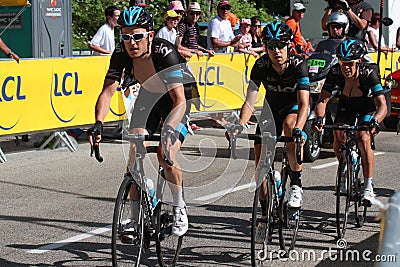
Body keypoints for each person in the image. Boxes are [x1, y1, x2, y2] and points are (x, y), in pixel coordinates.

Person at [89, 6, 196, 237]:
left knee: (165, 153)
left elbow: (179, 101)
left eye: (137, 36)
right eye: (126, 36)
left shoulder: (164, 52)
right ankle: (134, 217)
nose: (132, 43)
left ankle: (179, 206)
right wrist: (98, 122)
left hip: (176, 99)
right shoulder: (121, 53)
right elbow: (107, 92)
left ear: (149, 34)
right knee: (134, 151)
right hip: (149, 96)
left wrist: (168, 131)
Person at [231, 21, 310, 210]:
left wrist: (299, 128)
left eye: (280, 45)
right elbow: (250, 101)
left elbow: (304, 104)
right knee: (260, 166)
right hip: (271, 108)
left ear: (289, 45)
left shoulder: (298, 65)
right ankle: (265, 213)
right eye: (271, 46)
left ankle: (296, 185)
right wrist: (240, 124)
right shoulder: (260, 65)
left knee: (290, 129)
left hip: (294, 107)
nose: (276, 51)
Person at [313, 39, 387, 204]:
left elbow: (382, 106)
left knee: (363, 138)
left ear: (359, 62)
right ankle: (345, 168)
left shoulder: (369, 73)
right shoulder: (335, 72)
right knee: (338, 134)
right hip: (346, 105)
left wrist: (375, 121)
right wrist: (319, 118)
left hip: (366, 107)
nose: (345, 67)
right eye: (342, 63)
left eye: (349, 64)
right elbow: (322, 100)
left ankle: (368, 186)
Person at [207, 0, 242, 127]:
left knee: (223, 89)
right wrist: (231, 43)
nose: (226, 10)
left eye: (227, 8)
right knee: (215, 89)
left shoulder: (227, 22)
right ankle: (214, 118)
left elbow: (231, 40)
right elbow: (215, 43)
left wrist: (239, 43)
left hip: (226, 58)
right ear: (218, 9)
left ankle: (220, 116)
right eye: (223, 8)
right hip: (216, 58)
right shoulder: (215, 22)